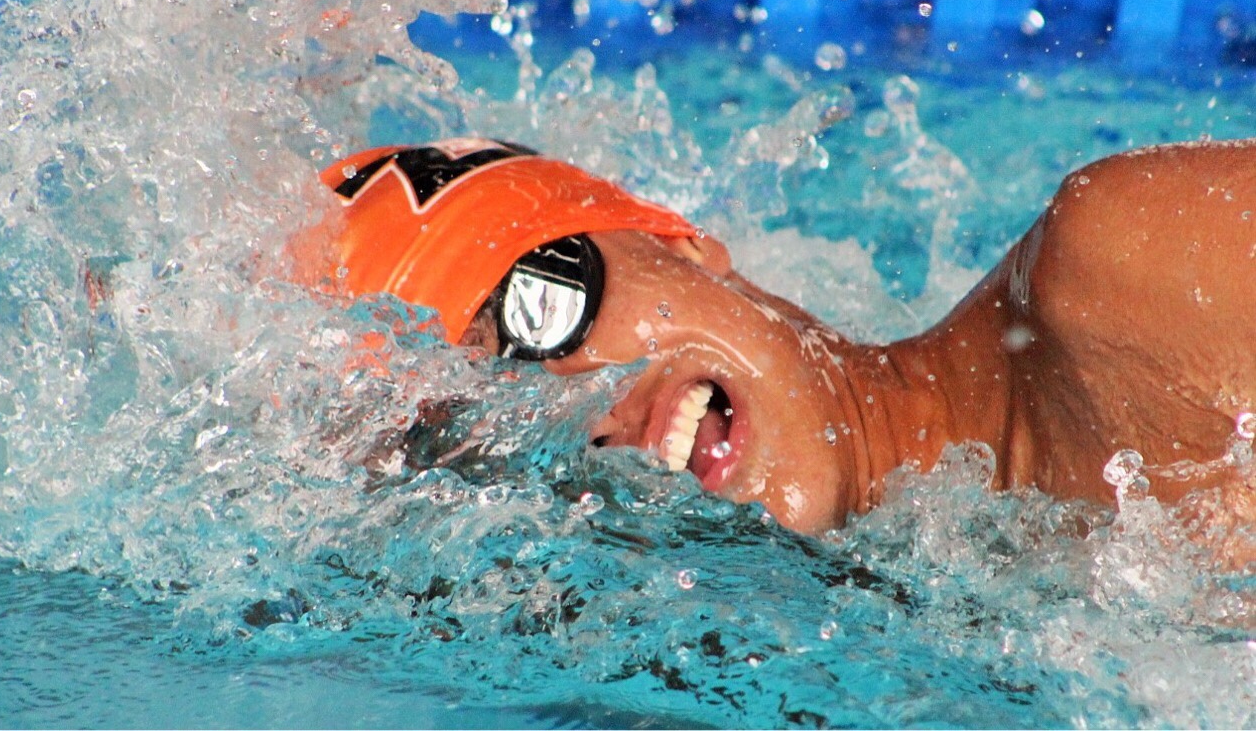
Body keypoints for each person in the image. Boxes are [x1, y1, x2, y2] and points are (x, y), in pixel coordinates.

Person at [294, 136, 1255, 556]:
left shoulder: (1120, 265)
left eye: (539, 309)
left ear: (686, 247)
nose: (573, 396)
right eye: (486, 426)